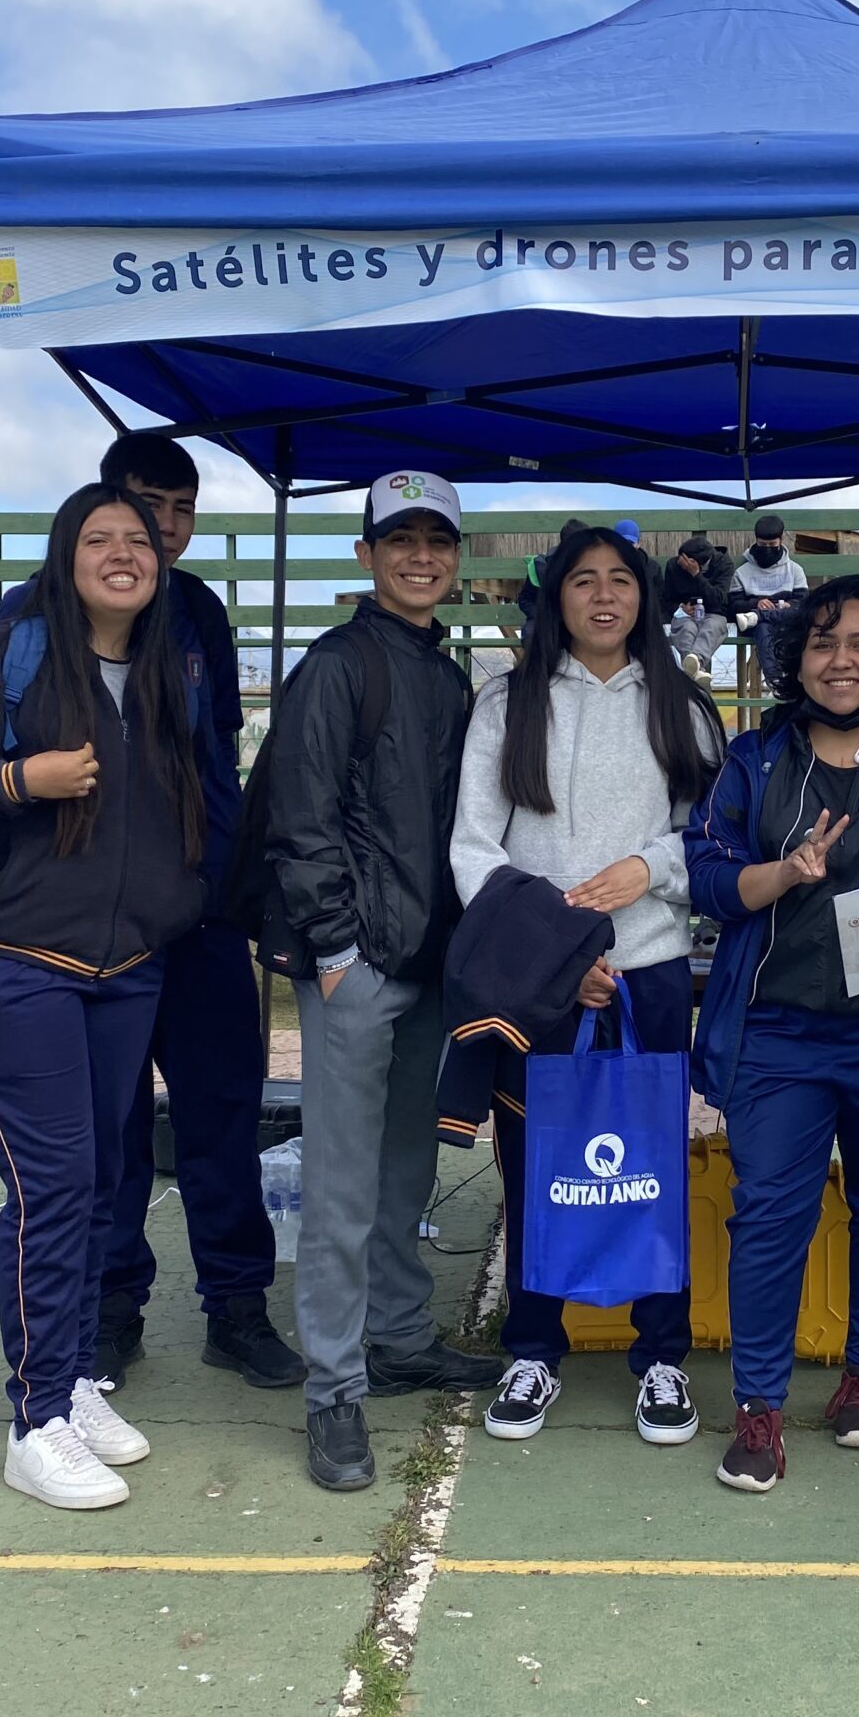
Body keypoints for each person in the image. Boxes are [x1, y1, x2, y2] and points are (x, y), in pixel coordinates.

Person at [0, 484, 207, 1511]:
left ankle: (68, 1379)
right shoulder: (8, 651)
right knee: (53, 1184)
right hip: (8, 961)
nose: (124, 553)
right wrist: (21, 781)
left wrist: (173, 905)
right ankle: (35, 1422)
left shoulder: (167, 665)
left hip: (122, 970)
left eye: (141, 541)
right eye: (100, 539)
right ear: (67, 557)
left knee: (103, 1177)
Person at [450, 524, 726, 1445]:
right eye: (582, 582)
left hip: (646, 974)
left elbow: (708, 839)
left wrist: (649, 869)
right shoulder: (507, 703)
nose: (603, 598)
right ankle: (534, 1348)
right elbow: (473, 847)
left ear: (645, 597)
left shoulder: (680, 705)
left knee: (647, 1165)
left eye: (620, 581)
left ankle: (661, 1359)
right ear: (554, 597)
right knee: (538, 1167)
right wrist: (557, 955)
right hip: (540, 984)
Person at [261, 468, 501, 1491]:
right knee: (344, 1190)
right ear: (364, 555)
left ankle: (398, 1337)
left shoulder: (446, 674)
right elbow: (299, 819)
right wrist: (334, 949)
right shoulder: (336, 665)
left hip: (431, 964)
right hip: (358, 965)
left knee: (407, 1169)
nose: (419, 556)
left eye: (435, 540)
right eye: (398, 538)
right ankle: (333, 1392)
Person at [687, 578, 859, 1492]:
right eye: (824, 643)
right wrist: (781, 874)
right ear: (794, 657)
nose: (842, 661)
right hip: (779, 1035)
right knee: (770, 1218)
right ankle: (758, 1409)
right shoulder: (755, 759)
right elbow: (708, 878)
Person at [56, 432, 298, 1395]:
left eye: (183, 509)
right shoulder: (45, 618)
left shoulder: (201, 610)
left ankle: (235, 1307)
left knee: (224, 1117)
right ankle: (113, 1308)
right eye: (147, 503)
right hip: (98, 923)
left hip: (199, 915)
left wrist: (237, 891)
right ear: (99, 508)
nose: (162, 526)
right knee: (109, 1127)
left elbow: (215, 764)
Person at [732, 513, 809, 687]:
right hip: (756, 627)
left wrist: (788, 605)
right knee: (763, 626)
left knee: (797, 613)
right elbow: (734, 605)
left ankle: (759, 615)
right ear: (756, 541)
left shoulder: (795, 570)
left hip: (787, 620)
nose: (767, 549)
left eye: (772, 545)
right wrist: (755, 603)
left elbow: (803, 603)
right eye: (762, 545)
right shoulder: (742, 572)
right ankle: (775, 678)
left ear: (781, 541)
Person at [663, 541, 730, 672]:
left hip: (714, 614)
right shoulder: (673, 565)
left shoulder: (723, 564)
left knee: (711, 628)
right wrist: (680, 608)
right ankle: (697, 670)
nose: (682, 563)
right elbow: (666, 599)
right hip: (684, 615)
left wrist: (696, 575)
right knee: (687, 629)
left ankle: (695, 662)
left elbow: (719, 600)